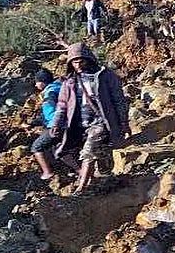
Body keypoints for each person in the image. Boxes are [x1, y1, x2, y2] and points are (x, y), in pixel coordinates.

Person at [48, 42, 129, 194]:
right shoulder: (69, 82)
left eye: (81, 61)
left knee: (89, 151)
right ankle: (103, 179)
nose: (78, 64)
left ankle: (82, 187)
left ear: (88, 59)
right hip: (78, 124)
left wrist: (124, 122)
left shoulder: (105, 76)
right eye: (74, 61)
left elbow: (119, 100)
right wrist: (56, 124)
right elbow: (62, 105)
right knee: (71, 151)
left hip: (101, 122)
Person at [29, 68, 78, 180]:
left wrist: (52, 125)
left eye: (37, 82)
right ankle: (80, 171)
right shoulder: (60, 88)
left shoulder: (50, 92)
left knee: (36, 147)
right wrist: (34, 122)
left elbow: (51, 112)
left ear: (42, 82)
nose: (36, 85)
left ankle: (47, 173)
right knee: (59, 150)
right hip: (68, 123)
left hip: (56, 126)